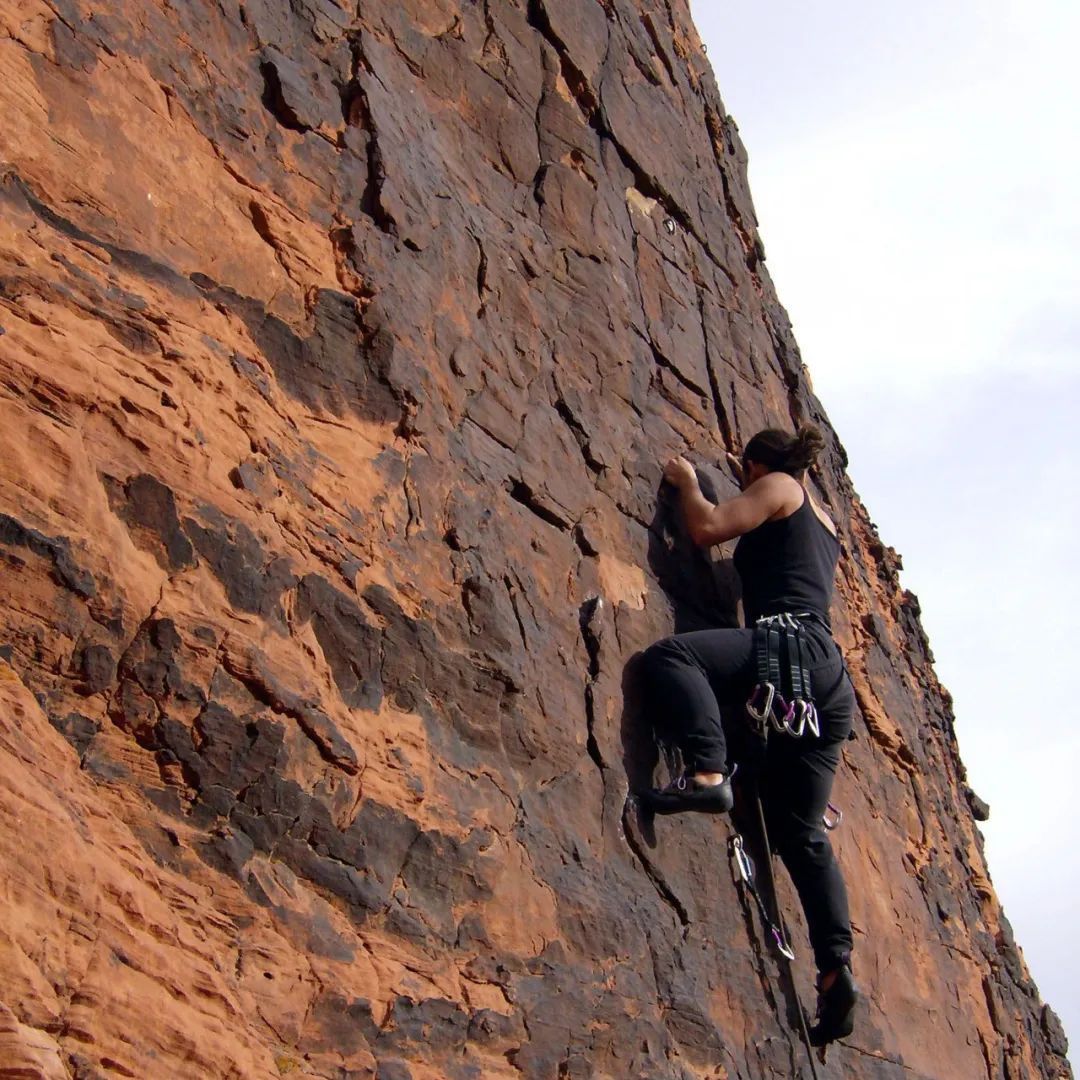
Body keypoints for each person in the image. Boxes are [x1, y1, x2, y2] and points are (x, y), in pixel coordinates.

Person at [638, 424, 858, 1046]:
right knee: (800, 832)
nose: (742, 482)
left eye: (743, 473)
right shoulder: (825, 527)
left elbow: (706, 527)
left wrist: (685, 483)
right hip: (825, 680)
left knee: (673, 659)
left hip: (790, 652)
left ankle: (708, 773)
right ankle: (835, 969)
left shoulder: (780, 486)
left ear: (758, 466)